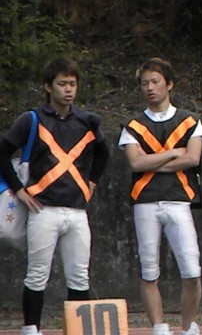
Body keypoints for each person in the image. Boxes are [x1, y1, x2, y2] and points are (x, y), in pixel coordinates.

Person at [0, 57, 110, 335]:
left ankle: (77, 331)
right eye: (62, 84)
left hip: (77, 211)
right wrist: (19, 190)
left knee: (79, 277)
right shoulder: (32, 119)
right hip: (43, 209)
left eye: (72, 84)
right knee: (37, 275)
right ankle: (31, 330)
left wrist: (92, 183)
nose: (68, 89)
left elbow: (104, 152)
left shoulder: (87, 121)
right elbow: (3, 151)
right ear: (48, 87)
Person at [119, 58, 202, 335]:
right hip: (145, 201)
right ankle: (159, 327)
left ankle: (188, 327)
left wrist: (151, 162)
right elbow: (135, 163)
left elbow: (192, 158)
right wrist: (172, 153)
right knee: (149, 271)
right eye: (144, 83)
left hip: (179, 200)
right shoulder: (133, 125)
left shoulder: (190, 121)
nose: (150, 88)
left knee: (191, 270)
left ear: (169, 84)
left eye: (155, 82)